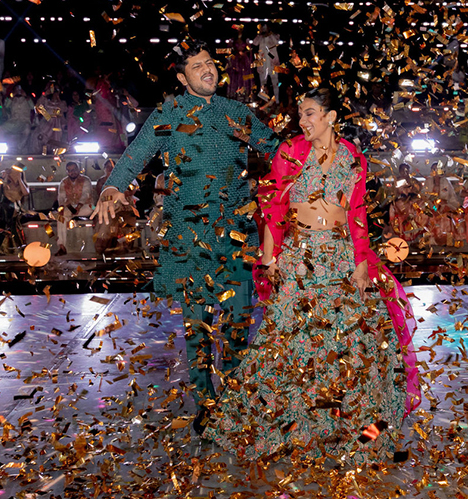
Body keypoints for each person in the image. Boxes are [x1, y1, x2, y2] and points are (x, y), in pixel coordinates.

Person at [205, 87, 419, 466]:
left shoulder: (353, 157)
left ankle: (365, 439)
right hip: (299, 258)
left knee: (354, 348)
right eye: (300, 115)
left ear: (331, 117)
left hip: (340, 258)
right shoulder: (289, 152)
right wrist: (270, 259)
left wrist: (361, 262)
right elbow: (273, 208)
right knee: (290, 345)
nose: (302, 121)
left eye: (310, 114)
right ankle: (288, 434)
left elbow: (356, 213)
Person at [94, 40, 280, 425]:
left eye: (210, 63)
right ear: (182, 77)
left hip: (235, 235)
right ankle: (206, 405)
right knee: (198, 326)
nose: (208, 70)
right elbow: (137, 152)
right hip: (189, 238)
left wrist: (321, 156)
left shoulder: (236, 112)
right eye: (197, 67)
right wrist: (113, 185)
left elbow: (278, 151)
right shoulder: (170, 112)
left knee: (237, 323)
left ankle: (233, 401)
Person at [56, 160, 94, 255]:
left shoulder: (86, 180)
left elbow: (86, 195)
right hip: (71, 207)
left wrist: (78, 207)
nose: (72, 172)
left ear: (78, 170)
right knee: (60, 217)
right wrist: (63, 208)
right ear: (67, 172)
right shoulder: (63, 182)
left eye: (74, 170)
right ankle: (62, 246)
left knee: (89, 208)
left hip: (87, 206)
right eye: (70, 170)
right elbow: (61, 197)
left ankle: (69, 218)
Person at [252, 23, 281, 105]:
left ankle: (277, 100)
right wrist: (260, 34)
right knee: (262, 83)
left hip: (272, 61)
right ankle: (263, 100)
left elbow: (276, 42)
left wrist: (270, 34)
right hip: (263, 62)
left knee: (275, 81)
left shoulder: (274, 36)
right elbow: (255, 43)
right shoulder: (260, 37)